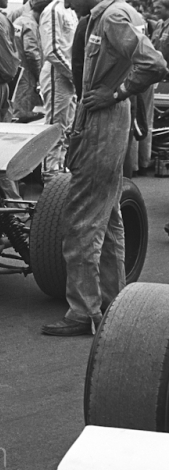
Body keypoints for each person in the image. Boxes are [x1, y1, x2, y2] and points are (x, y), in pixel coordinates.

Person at [41, 0, 166, 337]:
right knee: (109, 218)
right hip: (101, 120)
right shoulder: (109, 16)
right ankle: (114, 303)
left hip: (104, 122)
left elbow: (154, 65)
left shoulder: (113, 17)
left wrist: (115, 93)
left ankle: (83, 311)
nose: (65, 3)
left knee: (81, 219)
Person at [39, 0, 77, 178]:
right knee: (55, 128)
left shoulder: (71, 10)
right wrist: (74, 75)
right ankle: (50, 177)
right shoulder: (53, 10)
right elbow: (52, 50)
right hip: (58, 74)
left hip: (68, 75)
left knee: (67, 128)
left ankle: (60, 173)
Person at [12, 0, 49, 121]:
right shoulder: (31, 25)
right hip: (27, 74)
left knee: (16, 107)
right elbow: (31, 53)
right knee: (23, 114)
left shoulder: (18, 21)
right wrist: (40, 75)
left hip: (16, 70)